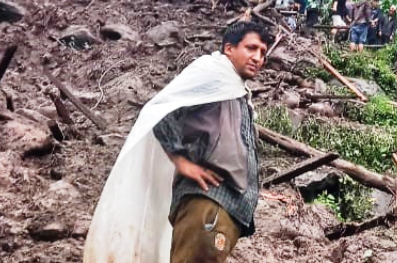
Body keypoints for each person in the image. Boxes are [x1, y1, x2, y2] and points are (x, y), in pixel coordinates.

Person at [84, 22, 273, 263]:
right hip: (208, 203)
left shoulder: (234, 88)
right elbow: (161, 111)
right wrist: (181, 161)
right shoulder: (212, 74)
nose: (258, 58)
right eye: (251, 48)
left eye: (263, 53)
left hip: (223, 207)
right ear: (229, 48)